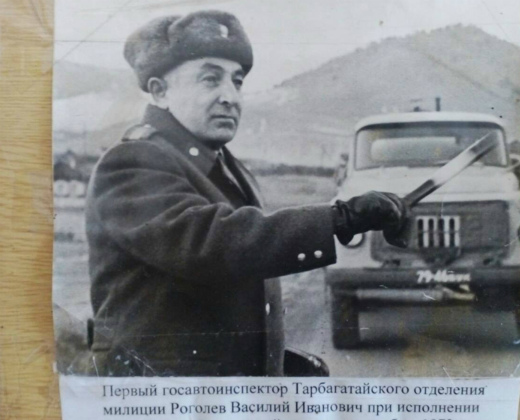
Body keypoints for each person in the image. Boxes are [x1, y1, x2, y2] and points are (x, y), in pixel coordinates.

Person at [85, 10, 407, 377]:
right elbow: (212, 242)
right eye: (210, 79)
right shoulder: (132, 162)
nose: (230, 97)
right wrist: (340, 219)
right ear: (160, 91)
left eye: (237, 82)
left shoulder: (225, 166)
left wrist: (277, 367)